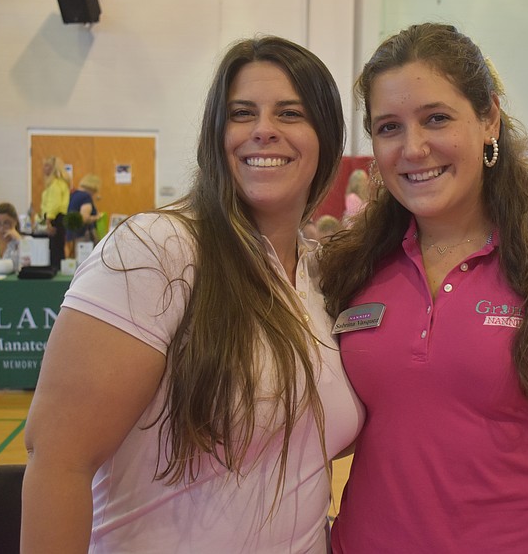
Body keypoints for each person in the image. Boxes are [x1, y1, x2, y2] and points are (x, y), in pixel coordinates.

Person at [21, 35, 363, 553]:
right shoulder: (156, 250)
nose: (263, 130)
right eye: (242, 113)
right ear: (216, 134)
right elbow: (59, 460)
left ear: (327, 138)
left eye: (290, 113)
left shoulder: (319, 278)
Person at [319, 23, 528, 553]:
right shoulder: (352, 267)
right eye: (388, 127)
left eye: (436, 119)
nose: (413, 148)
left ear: (489, 117)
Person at [40, 156, 71, 270]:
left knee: (55, 249)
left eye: (47, 165)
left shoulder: (55, 184)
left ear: (53, 168)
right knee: (58, 247)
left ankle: (55, 270)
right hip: (57, 218)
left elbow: (54, 204)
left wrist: (48, 222)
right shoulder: (60, 183)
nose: (44, 168)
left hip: (55, 218)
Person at [65, 173, 103, 257]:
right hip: (83, 236)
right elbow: (84, 218)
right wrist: (97, 217)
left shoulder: (73, 194)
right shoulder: (85, 197)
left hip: (71, 235)